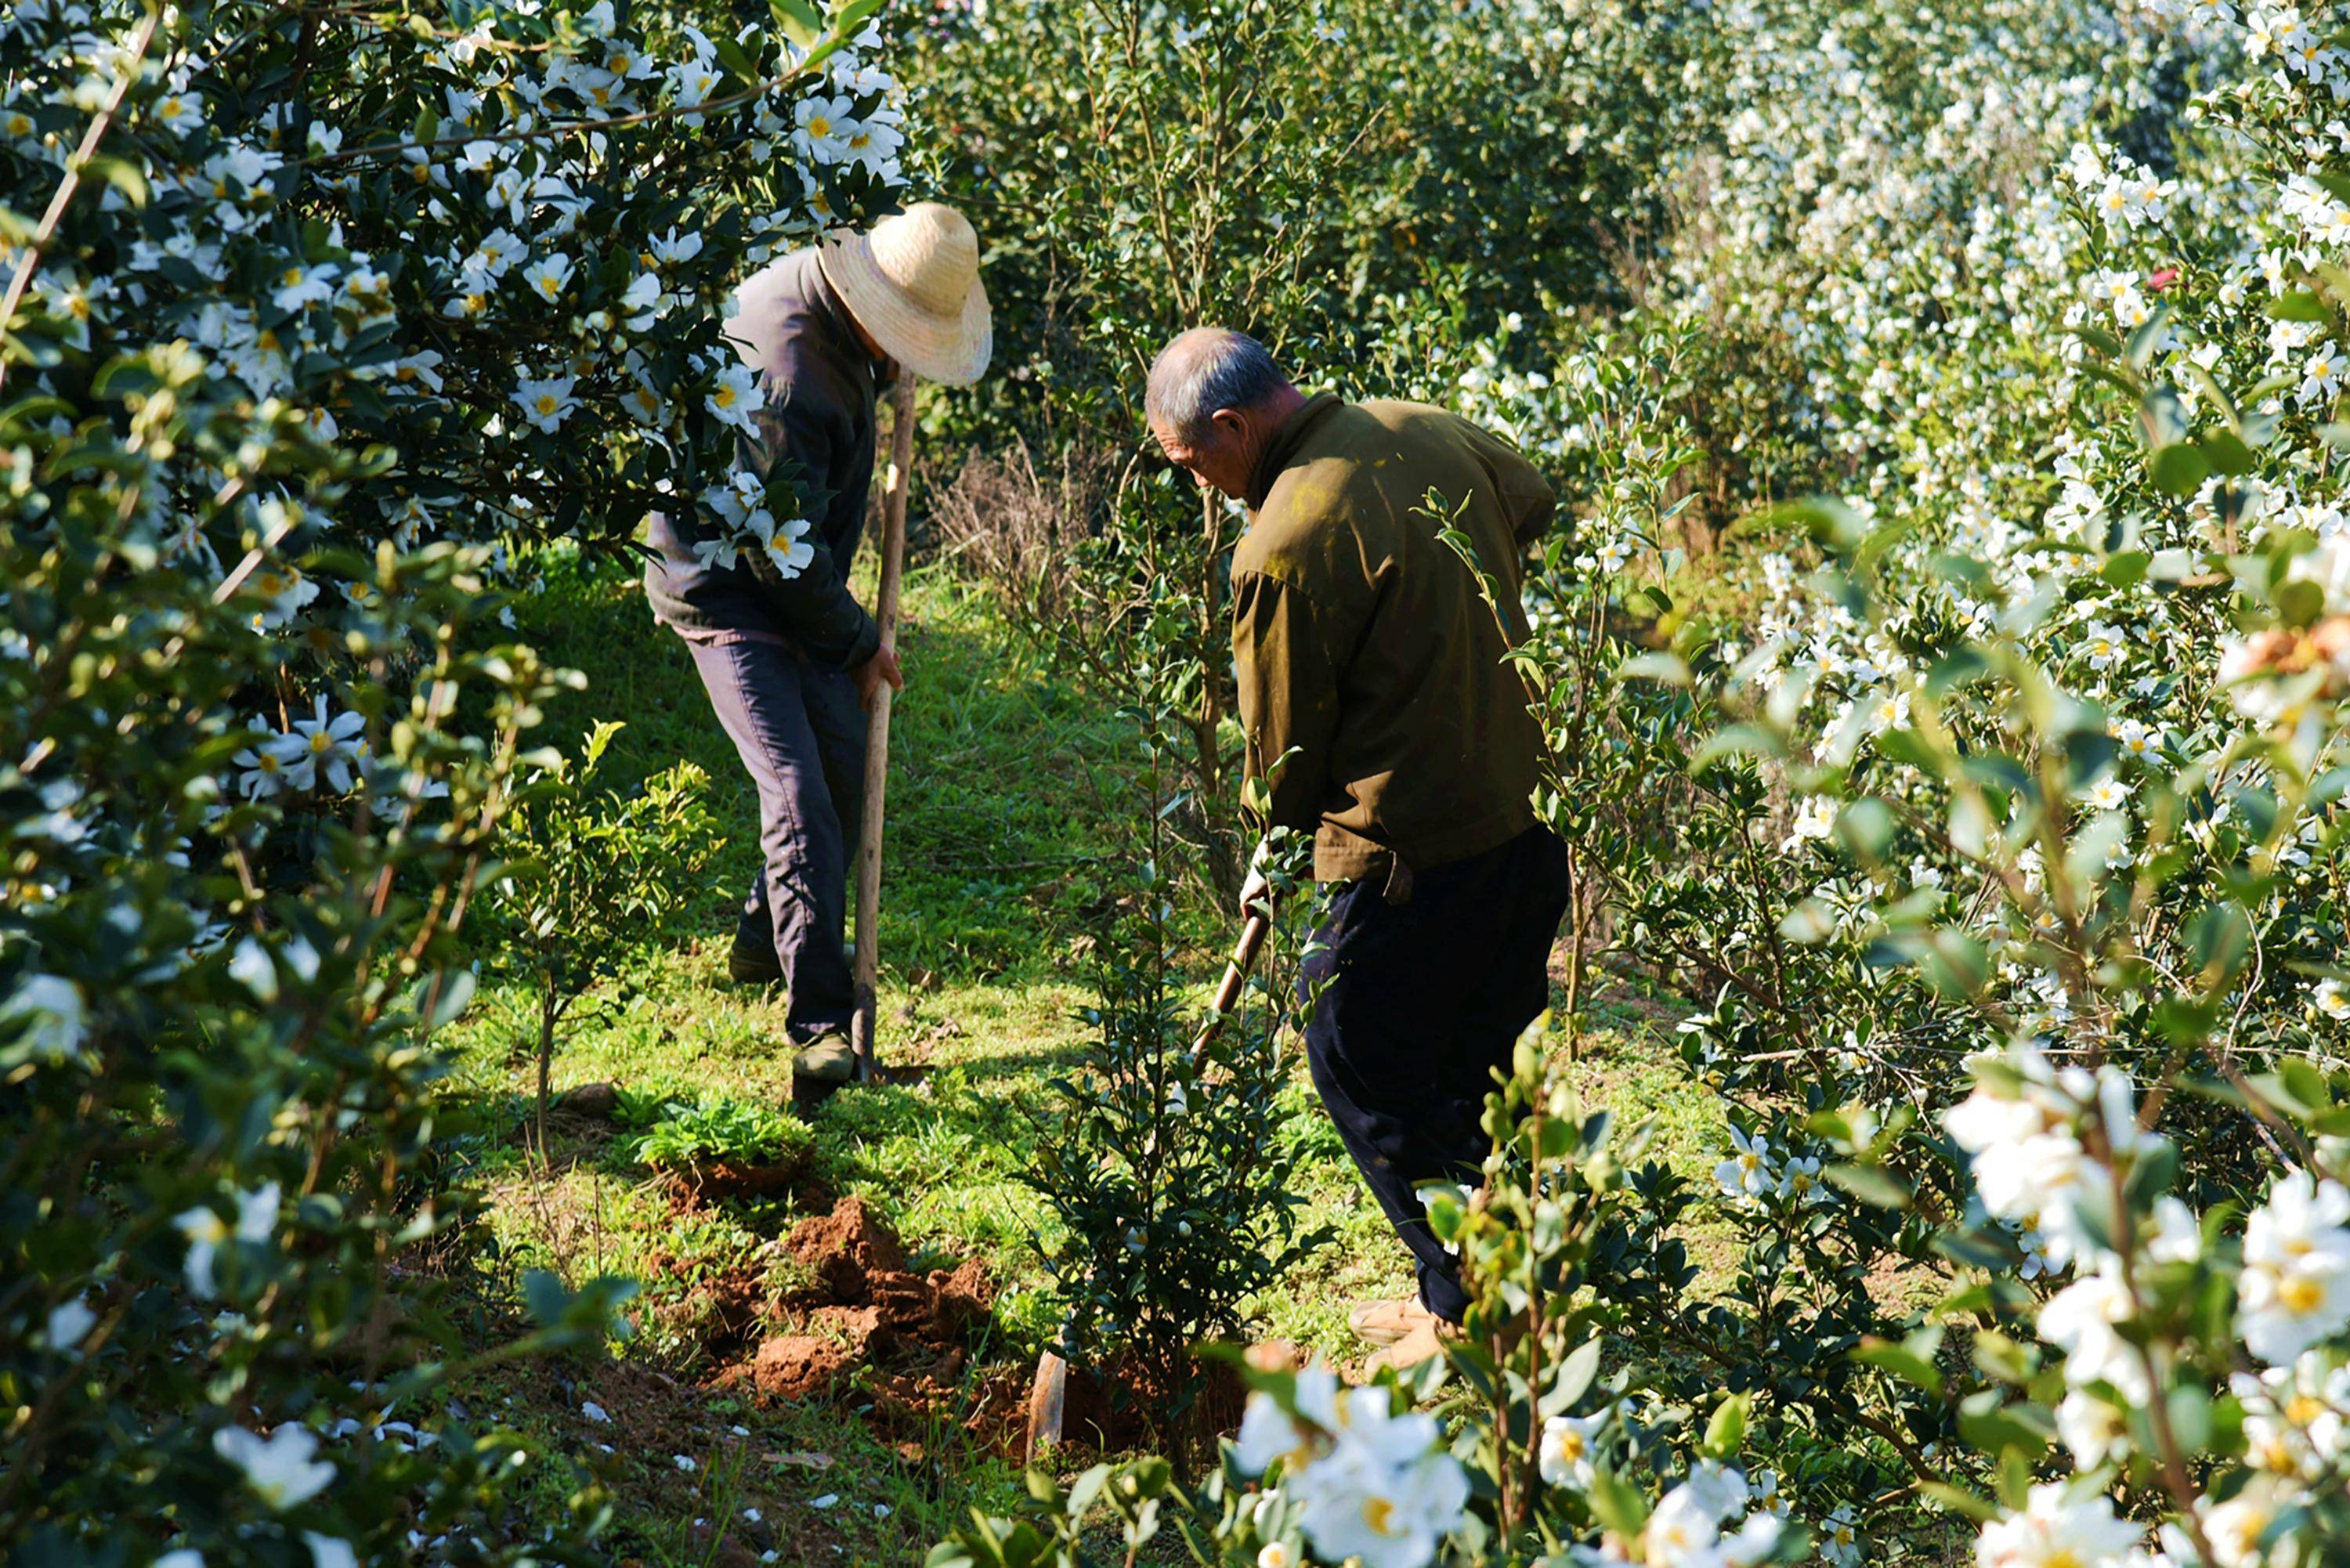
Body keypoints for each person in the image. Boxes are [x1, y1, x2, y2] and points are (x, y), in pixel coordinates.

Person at [1144, 327, 1572, 1373]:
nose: (1200, 489)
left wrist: (1272, 838)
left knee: (1355, 1050)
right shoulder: (1428, 430)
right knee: (1488, 1062)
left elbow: (1283, 750)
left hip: (1412, 851)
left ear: (1233, 428)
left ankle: (1468, 1301)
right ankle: (1513, 1291)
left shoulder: (1283, 542)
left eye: (1194, 466)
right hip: (1528, 824)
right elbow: (1538, 504)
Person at [645, 203, 991, 1089]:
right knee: (798, 789)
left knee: (842, 764)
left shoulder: (841, 320)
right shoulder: (793, 374)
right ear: (870, 309)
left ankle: (765, 940)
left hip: (797, 572)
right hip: (726, 584)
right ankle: (823, 1036)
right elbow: (776, 558)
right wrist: (862, 640)